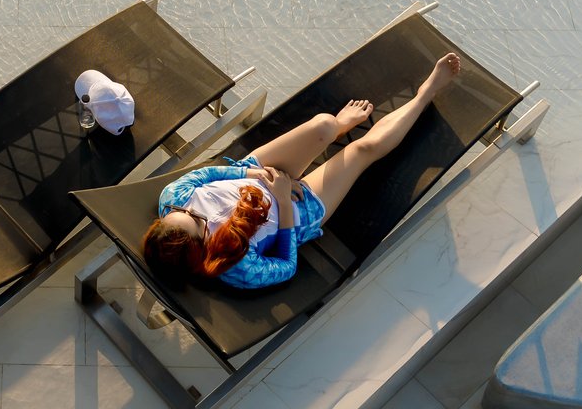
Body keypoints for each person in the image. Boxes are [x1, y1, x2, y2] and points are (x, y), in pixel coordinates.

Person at [141, 53, 460, 290]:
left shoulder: (173, 199)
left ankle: (336, 127)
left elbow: (211, 174)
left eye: (184, 211)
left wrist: (256, 176)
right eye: (200, 222)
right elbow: (286, 265)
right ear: (203, 248)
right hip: (293, 211)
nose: (197, 212)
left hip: (256, 173)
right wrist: (281, 200)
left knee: (323, 125)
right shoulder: (237, 269)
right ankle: (425, 94)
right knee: (360, 151)